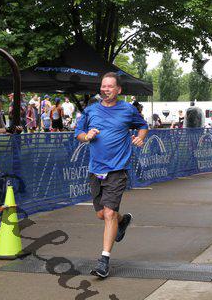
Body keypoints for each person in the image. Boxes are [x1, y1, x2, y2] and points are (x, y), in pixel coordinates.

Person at [75, 72, 148, 279]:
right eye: (103, 86)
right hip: (95, 169)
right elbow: (78, 132)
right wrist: (86, 136)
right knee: (102, 214)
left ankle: (104, 261)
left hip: (117, 169)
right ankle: (123, 221)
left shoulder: (128, 109)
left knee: (108, 213)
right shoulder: (91, 110)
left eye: (109, 86)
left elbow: (143, 126)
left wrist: (140, 138)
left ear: (118, 90)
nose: (105, 89)